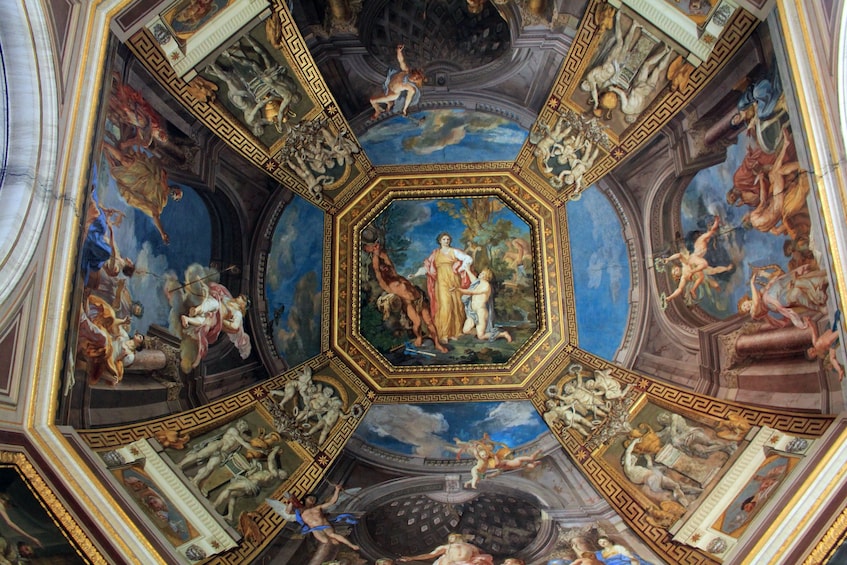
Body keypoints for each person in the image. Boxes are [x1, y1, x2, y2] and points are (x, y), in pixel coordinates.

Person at [367, 241, 447, 353]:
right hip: (408, 304)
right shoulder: (386, 284)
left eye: (388, 268)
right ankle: (419, 337)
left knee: (429, 321)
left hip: (419, 299)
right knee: (418, 323)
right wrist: (375, 254)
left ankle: (437, 344)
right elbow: (376, 270)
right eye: (384, 270)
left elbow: (387, 260)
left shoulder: (396, 275)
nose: (388, 270)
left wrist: (378, 250)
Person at [178, 277, 251, 373]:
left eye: (242, 299)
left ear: (243, 305)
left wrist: (222, 320)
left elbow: (234, 326)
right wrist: (201, 282)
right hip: (212, 308)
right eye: (241, 296)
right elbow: (215, 292)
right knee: (213, 302)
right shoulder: (227, 299)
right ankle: (195, 311)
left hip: (216, 319)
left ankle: (189, 319)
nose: (239, 297)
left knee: (206, 320)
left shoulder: (238, 313)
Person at [662, 216, 733, 305]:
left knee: (710, 269)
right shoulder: (683, 276)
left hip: (695, 263)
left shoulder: (685, 263)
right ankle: (694, 288)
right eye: (675, 272)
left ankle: (725, 269)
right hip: (696, 267)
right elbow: (679, 289)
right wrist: (669, 298)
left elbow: (679, 255)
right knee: (709, 277)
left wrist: (668, 259)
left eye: (674, 269)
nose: (676, 270)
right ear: (677, 276)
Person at [738, 263, 828, 329]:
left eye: (744, 305)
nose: (747, 307)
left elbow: (767, 287)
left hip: (778, 287)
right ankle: (818, 306)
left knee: (798, 281)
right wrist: (752, 283)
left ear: (746, 300)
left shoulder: (759, 294)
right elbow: (756, 301)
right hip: (776, 301)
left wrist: (774, 278)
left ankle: (822, 281)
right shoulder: (753, 313)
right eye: (745, 309)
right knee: (796, 293)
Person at [178, 419, 255, 494]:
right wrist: (256, 449)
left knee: (210, 468)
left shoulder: (239, 444)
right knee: (199, 455)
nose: (242, 427)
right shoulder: (233, 430)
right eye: (241, 425)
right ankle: (180, 465)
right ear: (238, 425)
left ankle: (195, 481)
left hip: (222, 453)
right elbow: (244, 442)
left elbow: (238, 447)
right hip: (218, 445)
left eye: (244, 427)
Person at [212, 446, 288, 521]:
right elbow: (261, 480)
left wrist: (275, 450)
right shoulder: (272, 482)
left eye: (283, 472)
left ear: (281, 476)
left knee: (228, 489)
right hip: (253, 488)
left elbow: (270, 459)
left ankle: (214, 505)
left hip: (250, 484)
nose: (281, 470)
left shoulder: (274, 473)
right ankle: (230, 515)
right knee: (233, 495)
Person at [424, 233, 473, 343]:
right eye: (444, 239)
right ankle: (444, 334)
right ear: (440, 241)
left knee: (456, 305)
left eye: (448, 239)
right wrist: (415, 274)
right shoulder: (436, 254)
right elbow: (427, 267)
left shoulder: (454, 251)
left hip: (454, 280)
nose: (446, 241)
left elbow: (468, 259)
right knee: (445, 306)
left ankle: (454, 332)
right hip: (441, 282)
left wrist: (461, 269)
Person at [283, 484, 360, 550]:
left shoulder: (318, 507)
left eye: (314, 499)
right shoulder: (299, 511)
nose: (312, 500)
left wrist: (337, 490)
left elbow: (332, 502)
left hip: (325, 525)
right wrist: (291, 502)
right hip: (315, 528)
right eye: (311, 498)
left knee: (333, 535)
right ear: (305, 499)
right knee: (325, 541)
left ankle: (351, 545)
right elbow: (288, 512)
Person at [452, 269, 512, 343]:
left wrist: (458, 289)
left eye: (483, 273)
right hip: (472, 312)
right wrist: (467, 269)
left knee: (481, 336)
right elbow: (473, 279)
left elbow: (471, 292)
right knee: (466, 330)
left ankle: (503, 334)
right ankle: (480, 331)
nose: (480, 274)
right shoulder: (478, 283)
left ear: (487, 276)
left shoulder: (486, 286)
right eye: (481, 273)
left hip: (481, 312)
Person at [370, 44, 425, 119]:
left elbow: (408, 99)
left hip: (392, 94)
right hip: (388, 85)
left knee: (372, 100)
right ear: (413, 73)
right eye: (414, 77)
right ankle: (389, 103)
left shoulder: (411, 88)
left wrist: (405, 109)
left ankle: (377, 111)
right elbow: (401, 61)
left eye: (415, 79)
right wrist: (399, 51)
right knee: (379, 98)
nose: (413, 79)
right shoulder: (406, 71)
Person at [655, 412, 736, 458]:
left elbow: (673, 427)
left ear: (666, 415)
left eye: (663, 416)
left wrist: (673, 437)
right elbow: (659, 434)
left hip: (693, 433)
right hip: (688, 442)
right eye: (662, 420)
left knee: (709, 442)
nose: (664, 418)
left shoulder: (675, 417)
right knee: (704, 451)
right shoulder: (668, 429)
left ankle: (728, 446)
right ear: (663, 423)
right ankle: (727, 447)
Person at [398, 532, 494, 565]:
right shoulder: (446, 547)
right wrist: (412, 558)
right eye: (451, 537)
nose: (453, 538)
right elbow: (430, 555)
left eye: (455, 536)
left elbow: (477, 559)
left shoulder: (471, 547)